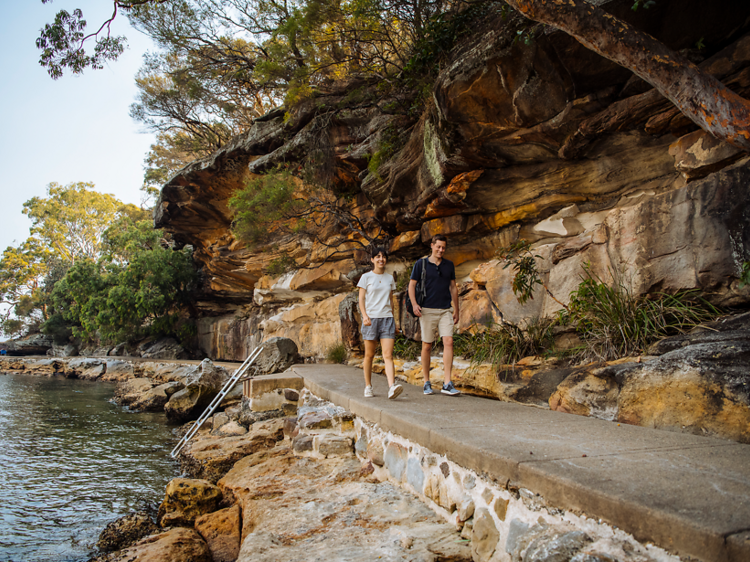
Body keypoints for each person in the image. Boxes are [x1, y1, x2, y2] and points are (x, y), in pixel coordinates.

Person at [408, 234, 461, 396]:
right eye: (438, 247)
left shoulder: (449, 265)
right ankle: (426, 381)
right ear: (432, 246)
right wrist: (415, 304)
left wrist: (456, 309)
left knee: (449, 341)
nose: (441, 250)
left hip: (445, 309)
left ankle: (447, 383)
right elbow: (411, 286)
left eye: (443, 247)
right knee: (427, 345)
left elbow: (453, 288)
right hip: (427, 310)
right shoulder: (421, 264)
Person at [357, 246, 403, 399]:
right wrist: (364, 315)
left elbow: (391, 300)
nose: (381, 259)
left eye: (383, 256)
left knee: (388, 355)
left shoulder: (390, 278)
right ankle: (368, 386)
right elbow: (361, 299)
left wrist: (394, 321)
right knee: (369, 355)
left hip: (387, 319)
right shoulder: (366, 277)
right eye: (377, 256)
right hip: (371, 319)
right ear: (372, 260)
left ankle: (391, 387)